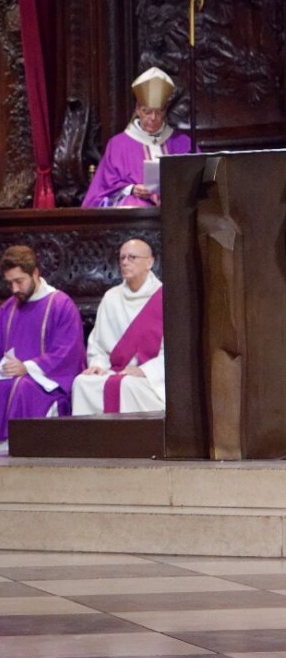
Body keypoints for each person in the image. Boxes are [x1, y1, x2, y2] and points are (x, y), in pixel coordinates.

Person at [0, 245, 85, 454]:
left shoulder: (61, 305)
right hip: (9, 376)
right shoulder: (9, 307)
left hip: (43, 383)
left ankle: (16, 457)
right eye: (10, 283)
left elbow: (67, 352)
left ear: (35, 273)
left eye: (19, 281)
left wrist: (28, 367)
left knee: (20, 388)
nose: (14, 289)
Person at [71, 238, 165, 414]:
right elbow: (98, 344)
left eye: (132, 257)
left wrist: (144, 371)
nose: (125, 262)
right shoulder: (111, 297)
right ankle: (91, 442)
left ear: (149, 262)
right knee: (82, 384)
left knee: (128, 385)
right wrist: (98, 364)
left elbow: (175, 353)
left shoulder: (165, 298)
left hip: (149, 377)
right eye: (122, 258)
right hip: (114, 371)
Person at [82, 66, 192, 208]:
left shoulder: (183, 143)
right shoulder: (118, 145)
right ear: (138, 109)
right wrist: (132, 189)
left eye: (159, 112)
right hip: (137, 219)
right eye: (147, 112)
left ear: (165, 110)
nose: (153, 118)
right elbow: (101, 191)